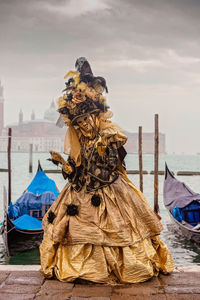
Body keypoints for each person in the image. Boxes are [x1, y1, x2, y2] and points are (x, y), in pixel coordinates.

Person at [40, 57, 174, 284]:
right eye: (78, 123)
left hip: (109, 190)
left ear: (95, 117)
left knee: (119, 230)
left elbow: (110, 166)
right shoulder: (81, 141)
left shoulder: (109, 135)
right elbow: (77, 173)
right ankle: (83, 268)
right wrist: (66, 166)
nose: (83, 126)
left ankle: (116, 267)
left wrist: (103, 149)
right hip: (80, 192)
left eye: (86, 120)